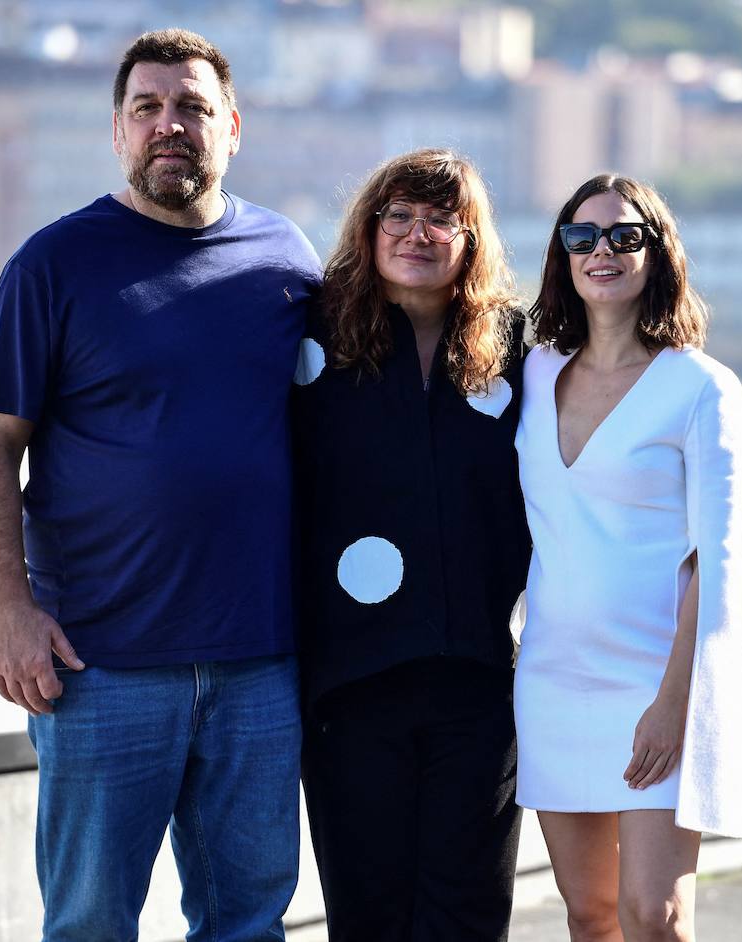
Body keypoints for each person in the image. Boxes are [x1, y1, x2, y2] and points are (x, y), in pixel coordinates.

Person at [0, 29, 321, 942]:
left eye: (194, 107)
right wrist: (10, 610)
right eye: (149, 108)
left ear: (232, 127)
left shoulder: (289, 261)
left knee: (249, 923)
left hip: (262, 662)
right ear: (117, 132)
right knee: (89, 924)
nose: (173, 125)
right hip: (101, 663)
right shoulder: (53, 266)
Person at [291, 148, 530, 941]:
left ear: (472, 237)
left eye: (441, 219)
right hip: (349, 685)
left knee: (466, 917)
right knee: (368, 918)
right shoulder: (309, 337)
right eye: (399, 215)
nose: (417, 233)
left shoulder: (519, 349)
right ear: (369, 227)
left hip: (479, 685)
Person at [514, 174, 742, 942]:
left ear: (657, 252)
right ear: (562, 255)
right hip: (553, 680)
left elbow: (713, 563)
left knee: (654, 916)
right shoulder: (533, 373)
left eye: (625, 236)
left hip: (656, 680)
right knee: (589, 917)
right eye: (582, 238)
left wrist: (674, 703)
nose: (602, 252)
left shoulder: (700, 388)